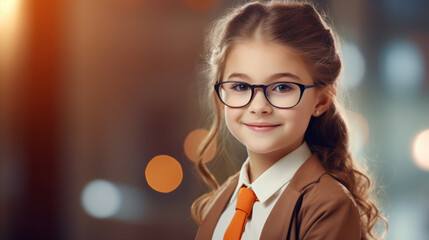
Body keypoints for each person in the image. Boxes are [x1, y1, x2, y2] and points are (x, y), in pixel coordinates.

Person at [191, 1, 388, 239]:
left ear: (322, 100)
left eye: (282, 87)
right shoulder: (223, 200)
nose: (259, 106)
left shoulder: (328, 206)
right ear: (221, 94)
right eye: (241, 86)